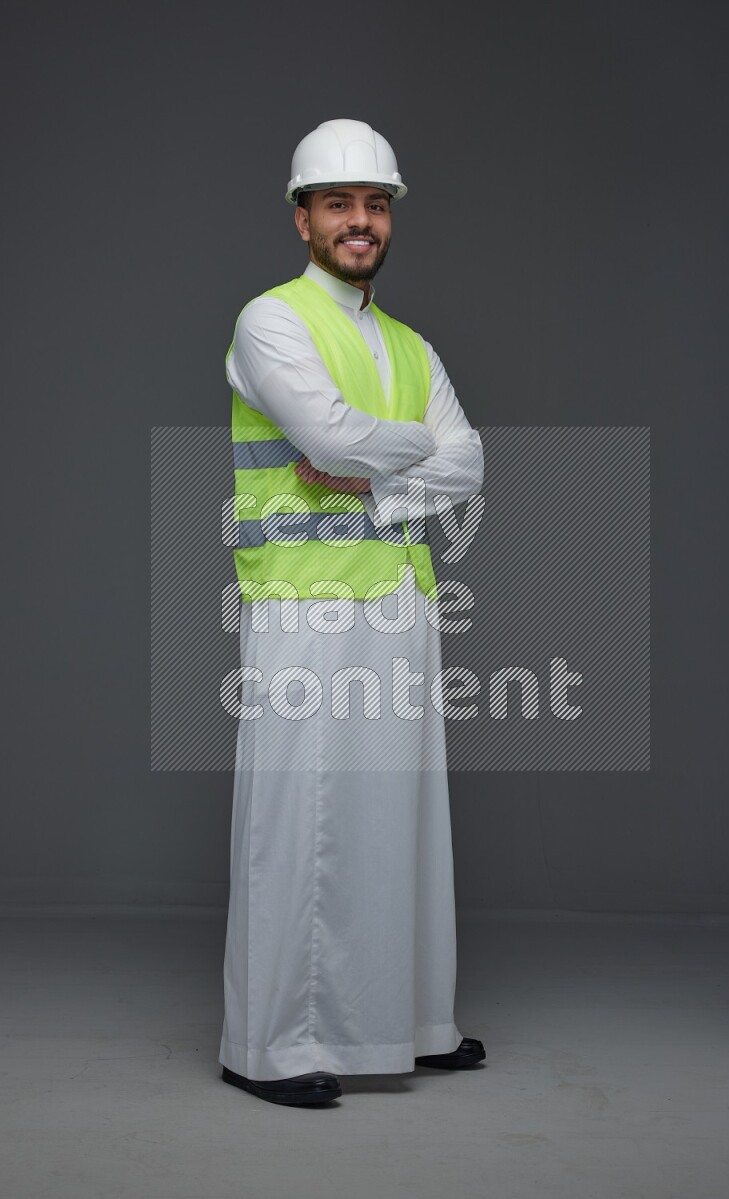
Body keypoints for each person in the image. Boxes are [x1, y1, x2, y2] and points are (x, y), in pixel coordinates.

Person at [218, 118, 486, 1106]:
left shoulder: (411, 344)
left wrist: (371, 479)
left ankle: (412, 1023)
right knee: (300, 824)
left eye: (374, 204)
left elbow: (470, 462)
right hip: (302, 606)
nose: (360, 220)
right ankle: (268, 1044)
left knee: (398, 817)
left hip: (400, 604)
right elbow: (322, 428)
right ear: (302, 218)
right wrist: (413, 452)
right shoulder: (271, 322)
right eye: (338, 203)